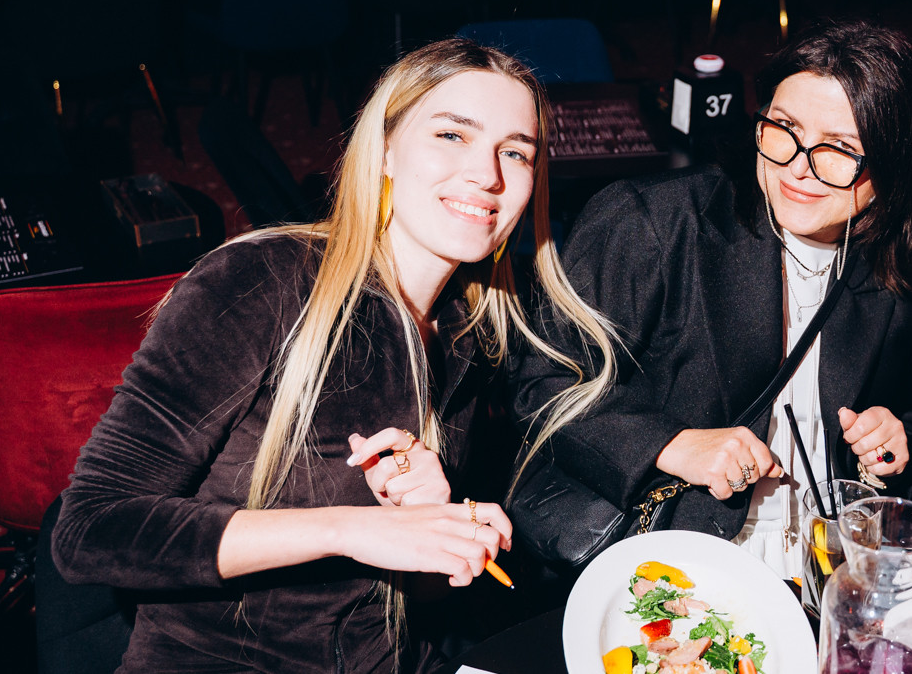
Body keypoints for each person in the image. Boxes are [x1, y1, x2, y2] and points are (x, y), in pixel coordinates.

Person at [53, 38, 619, 673]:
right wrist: (348, 527)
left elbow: (419, 594)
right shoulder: (263, 281)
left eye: (515, 152)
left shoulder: (471, 330)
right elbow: (91, 530)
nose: (487, 175)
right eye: (451, 135)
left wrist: (435, 524)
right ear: (385, 150)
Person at [512, 21, 912, 577]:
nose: (797, 166)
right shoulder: (656, 224)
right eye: (784, 127)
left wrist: (890, 445)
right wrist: (671, 446)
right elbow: (541, 386)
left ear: (896, 167)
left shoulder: (895, 265)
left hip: (825, 560)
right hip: (676, 554)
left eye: (840, 149)